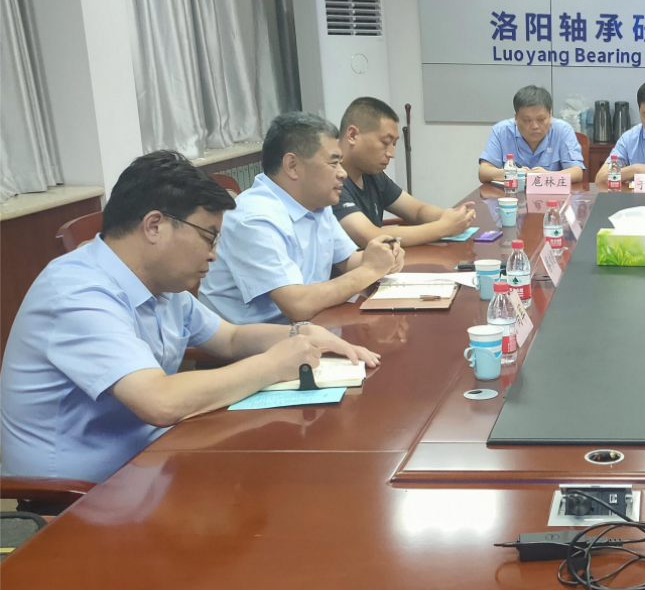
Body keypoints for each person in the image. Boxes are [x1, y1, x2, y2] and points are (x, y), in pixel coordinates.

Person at [0, 152, 379, 484]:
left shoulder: (161, 285)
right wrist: (271, 365)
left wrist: (302, 334)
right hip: (79, 498)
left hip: (152, 460)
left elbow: (230, 338)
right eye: (208, 238)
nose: (213, 255)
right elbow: (159, 402)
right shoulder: (77, 293)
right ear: (154, 226)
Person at [200, 112, 405, 325]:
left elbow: (347, 261)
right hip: (259, 340)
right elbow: (297, 305)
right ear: (292, 166)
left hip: (310, 327)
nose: (342, 173)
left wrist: (383, 258)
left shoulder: (316, 202)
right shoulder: (254, 218)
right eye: (333, 163)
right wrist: (370, 269)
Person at [336, 97, 476, 248]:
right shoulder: (331, 181)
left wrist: (453, 217)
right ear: (353, 135)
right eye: (385, 143)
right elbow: (370, 236)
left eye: (394, 144)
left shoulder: (373, 175)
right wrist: (444, 227)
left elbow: (417, 210)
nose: (391, 154)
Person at [478, 85, 585, 184]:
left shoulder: (563, 130)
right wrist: (513, 174)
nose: (535, 126)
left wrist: (546, 176)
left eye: (541, 119)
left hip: (551, 195)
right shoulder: (501, 131)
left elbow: (576, 172)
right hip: (512, 195)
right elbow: (484, 172)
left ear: (550, 116)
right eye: (527, 120)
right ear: (516, 118)